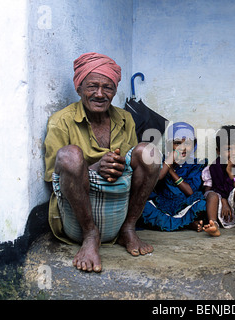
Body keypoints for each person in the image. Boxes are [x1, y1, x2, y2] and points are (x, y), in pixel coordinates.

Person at [44, 52, 161, 273]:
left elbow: (132, 163)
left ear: (115, 90)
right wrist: (95, 168)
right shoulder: (61, 121)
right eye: (92, 86)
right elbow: (54, 175)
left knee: (150, 153)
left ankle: (128, 229)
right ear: (79, 88)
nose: (100, 94)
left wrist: (118, 166)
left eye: (107, 87)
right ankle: (91, 236)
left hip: (117, 210)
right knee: (70, 155)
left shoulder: (125, 118)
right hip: (78, 219)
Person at [141, 122, 207, 231]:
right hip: (162, 203)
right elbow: (157, 177)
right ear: (169, 145)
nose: (182, 148)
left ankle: (186, 222)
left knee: (203, 205)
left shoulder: (195, 165)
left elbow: (190, 192)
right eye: (177, 143)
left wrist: (172, 173)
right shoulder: (162, 161)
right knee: (144, 208)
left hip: (184, 204)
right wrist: (169, 161)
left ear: (193, 145)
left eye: (187, 143)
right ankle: (188, 224)